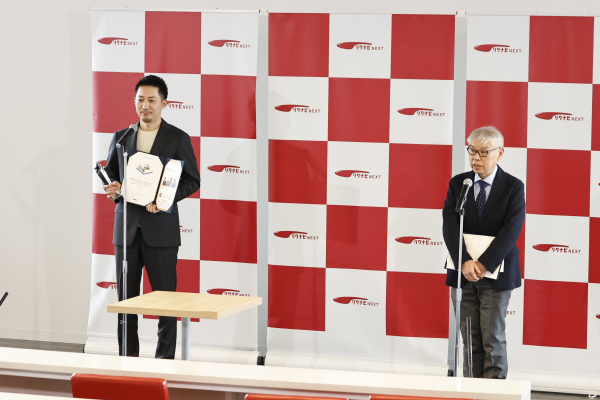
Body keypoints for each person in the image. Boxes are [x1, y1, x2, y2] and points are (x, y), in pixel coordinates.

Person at [103, 75, 200, 358]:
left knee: (165, 305)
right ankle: (127, 362)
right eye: (140, 100)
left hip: (161, 231)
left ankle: (164, 363)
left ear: (164, 103)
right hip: (127, 230)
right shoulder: (122, 137)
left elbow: (192, 180)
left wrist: (164, 199)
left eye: (151, 100)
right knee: (126, 305)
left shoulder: (178, 137)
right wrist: (114, 188)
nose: (145, 105)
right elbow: (112, 174)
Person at [442, 126, 525, 379]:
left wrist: (484, 264)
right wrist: (465, 261)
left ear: (500, 153)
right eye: (472, 151)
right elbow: (450, 224)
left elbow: (511, 229)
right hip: (463, 272)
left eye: (484, 152)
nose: (476, 158)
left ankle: (494, 393)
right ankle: (472, 391)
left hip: (496, 273)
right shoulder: (460, 183)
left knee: (493, 339)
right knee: (469, 339)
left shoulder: (513, 186)